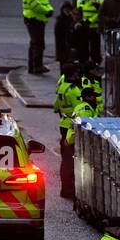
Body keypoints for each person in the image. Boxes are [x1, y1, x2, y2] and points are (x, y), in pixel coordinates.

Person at [54, 62, 81, 198]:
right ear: (71, 74)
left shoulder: (61, 84)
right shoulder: (73, 90)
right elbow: (79, 109)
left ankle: (66, 188)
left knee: (66, 159)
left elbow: (56, 105)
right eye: (76, 73)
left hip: (64, 123)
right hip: (72, 126)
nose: (78, 75)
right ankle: (70, 189)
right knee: (71, 160)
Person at [21, 0, 54, 74]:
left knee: (35, 43)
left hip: (39, 21)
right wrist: (47, 12)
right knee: (38, 44)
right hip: (33, 20)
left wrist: (50, 10)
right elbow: (36, 6)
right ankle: (37, 67)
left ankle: (33, 67)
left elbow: (45, 4)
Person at [54, 1, 75, 66]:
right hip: (63, 44)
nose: (68, 11)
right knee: (63, 62)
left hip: (68, 44)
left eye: (69, 9)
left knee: (68, 62)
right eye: (66, 9)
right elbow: (58, 34)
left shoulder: (70, 18)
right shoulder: (60, 19)